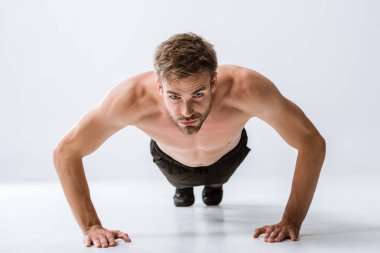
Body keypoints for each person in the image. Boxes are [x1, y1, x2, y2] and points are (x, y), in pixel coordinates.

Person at [53, 32, 326, 248]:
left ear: (214, 83)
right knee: (182, 193)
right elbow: (66, 151)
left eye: (198, 94)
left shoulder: (248, 88)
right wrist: (91, 226)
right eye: (174, 96)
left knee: (216, 186)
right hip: (171, 160)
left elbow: (311, 142)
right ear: (159, 87)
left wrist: (292, 220)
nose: (186, 112)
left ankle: (214, 185)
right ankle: (183, 189)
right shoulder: (130, 98)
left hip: (228, 156)